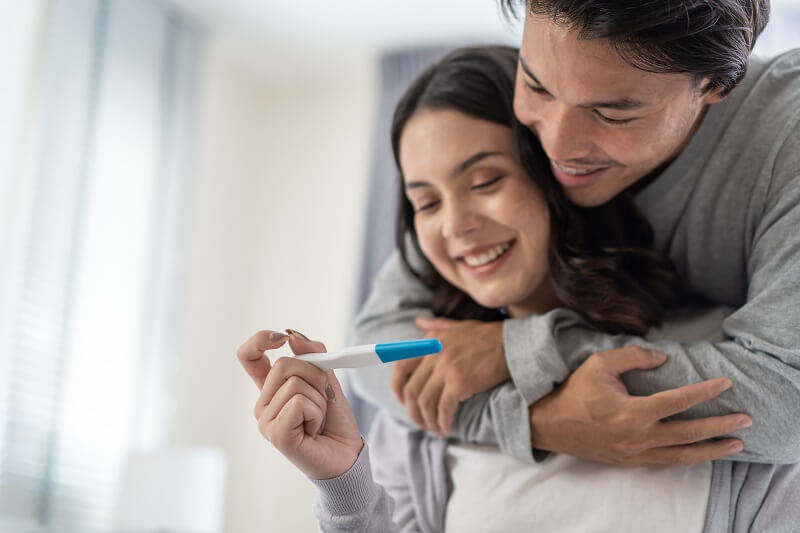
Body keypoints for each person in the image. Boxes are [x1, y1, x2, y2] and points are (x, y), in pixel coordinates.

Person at [237, 46, 799, 532]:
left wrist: (525, 350)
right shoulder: (426, 407)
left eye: (485, 181)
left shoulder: (719, 361)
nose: (455, 226)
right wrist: (342, 486)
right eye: (426, 202)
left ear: (558, 173)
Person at [350, 0, 800, 473]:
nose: (556, 148)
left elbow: (788, 403)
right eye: (536, 86)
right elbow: (378, 337)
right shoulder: (520, 122)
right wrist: (537, 422)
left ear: (715, 86)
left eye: (610, 113)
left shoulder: (786, 134)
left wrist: (526, 351)